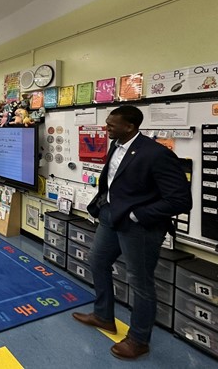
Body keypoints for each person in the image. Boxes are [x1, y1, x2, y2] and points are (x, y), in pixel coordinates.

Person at [72, 105, 192, 360]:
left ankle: (139, 340)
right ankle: (103, 316)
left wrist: (137, 215)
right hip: (111, 218)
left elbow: (181, 200)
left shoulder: (157, 154)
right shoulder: (116, 145)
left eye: (111, 125)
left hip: (140, 227)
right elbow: (114, 183)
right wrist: (102, 206)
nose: (106, 128)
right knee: (97, 262)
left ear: (129, 126)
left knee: (140, 281)